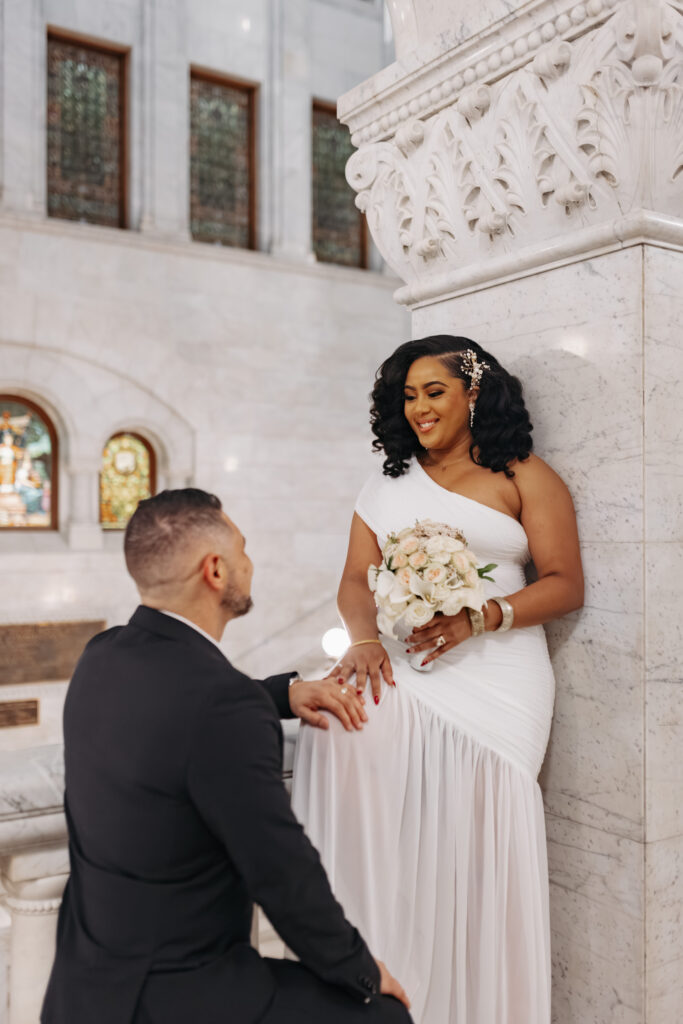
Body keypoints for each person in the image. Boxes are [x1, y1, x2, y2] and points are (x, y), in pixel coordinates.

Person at [291, 336, 584, 1024]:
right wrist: (364, 638)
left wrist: (482, 616)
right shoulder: (386, 481)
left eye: (433, 391)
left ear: (473, 393)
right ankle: (379, 969)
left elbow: (566, 583)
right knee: (339, 731)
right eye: (408, 395)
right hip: (407, 668)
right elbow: (353, 580)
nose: (418, 407)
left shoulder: (523, 475)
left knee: (474, 852)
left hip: (499, 681)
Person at [41, 488, 412, 1024]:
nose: (249, 561)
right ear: (215, 570)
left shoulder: (103, 657)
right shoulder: (222, 706)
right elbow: (283, 875)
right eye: (243, 548)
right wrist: (363, 971)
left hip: (85, 986)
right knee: (384, 1017)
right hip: (179, 995)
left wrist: (278, 695)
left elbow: (173, 710)